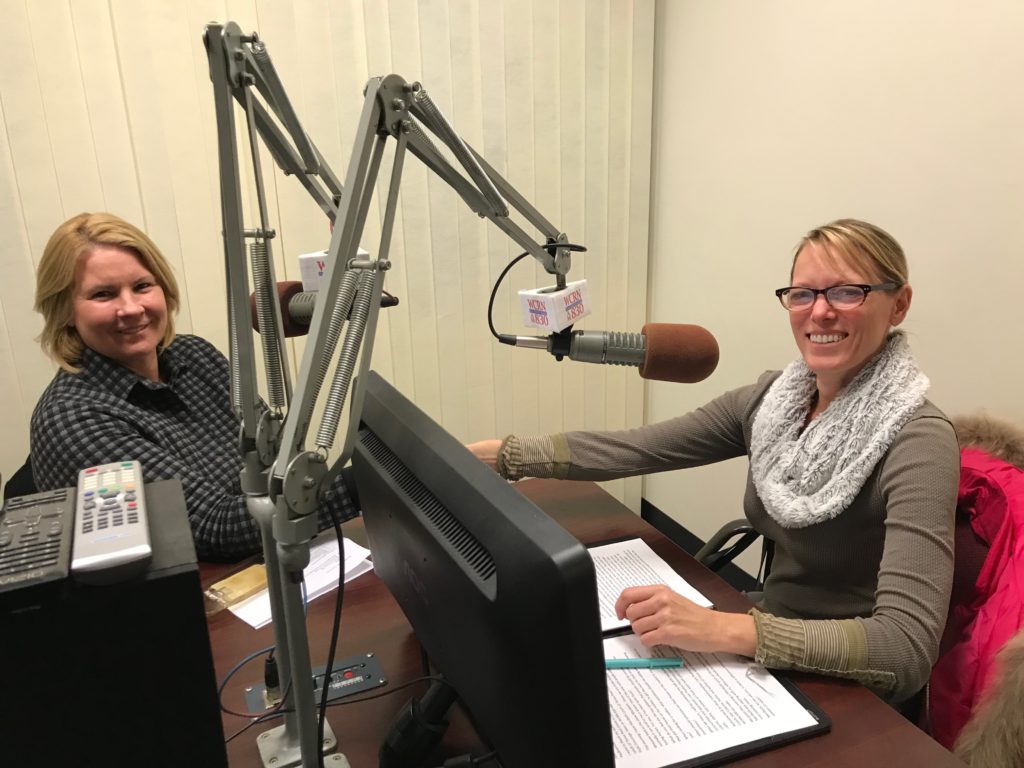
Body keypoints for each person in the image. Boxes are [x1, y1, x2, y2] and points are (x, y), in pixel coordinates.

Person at [469, 218, 959, 705]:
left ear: (899, 304)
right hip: (764, 642)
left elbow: (905, 650)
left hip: (853, 690)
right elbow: (639, 447)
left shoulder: (919, 442)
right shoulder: (775, 400)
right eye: (803, 294)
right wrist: (505, 456)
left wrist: (723, 629)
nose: (821, 312)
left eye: (848, 292)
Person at [31, 212, 357, 561]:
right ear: (64, 310)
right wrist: (364, 485)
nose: (131, 308)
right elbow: (214, 527)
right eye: (103, 294)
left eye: (142, 286)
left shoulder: (195, 356)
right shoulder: (72, 419)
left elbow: (277, 467)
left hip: (270, 561)